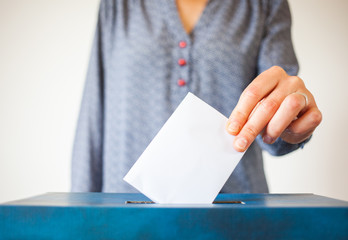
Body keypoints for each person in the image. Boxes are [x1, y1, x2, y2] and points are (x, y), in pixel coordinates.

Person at [71, 0, 322, 193]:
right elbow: (94, 112)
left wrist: (290, 124)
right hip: (126, 211)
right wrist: (78, 216)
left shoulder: (264, 5)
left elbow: (277, 124)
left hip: (234, 213)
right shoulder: (119, 5)